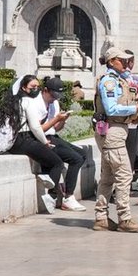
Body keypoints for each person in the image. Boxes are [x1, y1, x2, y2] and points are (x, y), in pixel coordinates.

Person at [92, 45, 138, 233]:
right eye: (121, 60)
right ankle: (124, 218)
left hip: (117, 130)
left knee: (107, 177)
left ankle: (101, 217)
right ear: (111, 62)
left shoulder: (118, 80)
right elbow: (111, 109)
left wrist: (136, 105)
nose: (126, 63)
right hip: (112, 131)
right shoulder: (109, 81)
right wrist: (135, 109)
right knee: (124, 175)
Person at [0, 75, 65, 213]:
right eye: (33, 87)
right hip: (24, 140)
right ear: (23, 87)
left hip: (13, 142)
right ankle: (52, 196)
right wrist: (45, 142)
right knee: (57, 163)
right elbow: (35, 127)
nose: (36, 90)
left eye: (37, 87)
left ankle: (46, 177)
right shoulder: (27, 102)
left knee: (45, 157)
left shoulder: (12, 100)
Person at [39, 75, 86, 210]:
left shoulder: (55, 103)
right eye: (52, 95)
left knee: (82, 154)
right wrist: (56, 120)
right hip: (43, 138)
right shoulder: (37, 103)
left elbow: (55, 128)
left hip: (52, 136)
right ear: (45, 90)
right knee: (75, 159)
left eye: (57, 96)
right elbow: (39, 129)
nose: (54, 98)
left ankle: (66, 189)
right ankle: (68, 197)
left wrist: (63, 120)